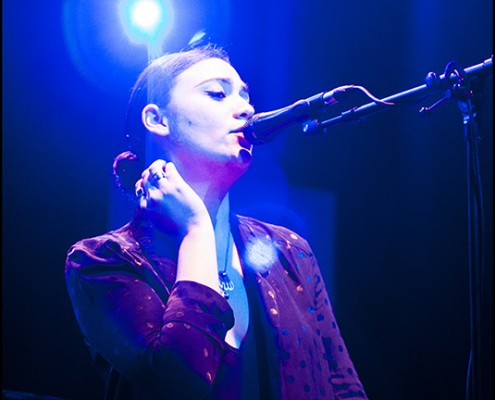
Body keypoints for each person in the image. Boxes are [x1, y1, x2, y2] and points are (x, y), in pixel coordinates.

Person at [65, 43, 368, 400]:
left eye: (245, 96)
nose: (247, 109)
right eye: (217, 93)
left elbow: (343, 389)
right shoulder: (103, 261)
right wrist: (197, 229)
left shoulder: (290, 252)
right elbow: (179, 385)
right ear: (157, 120)